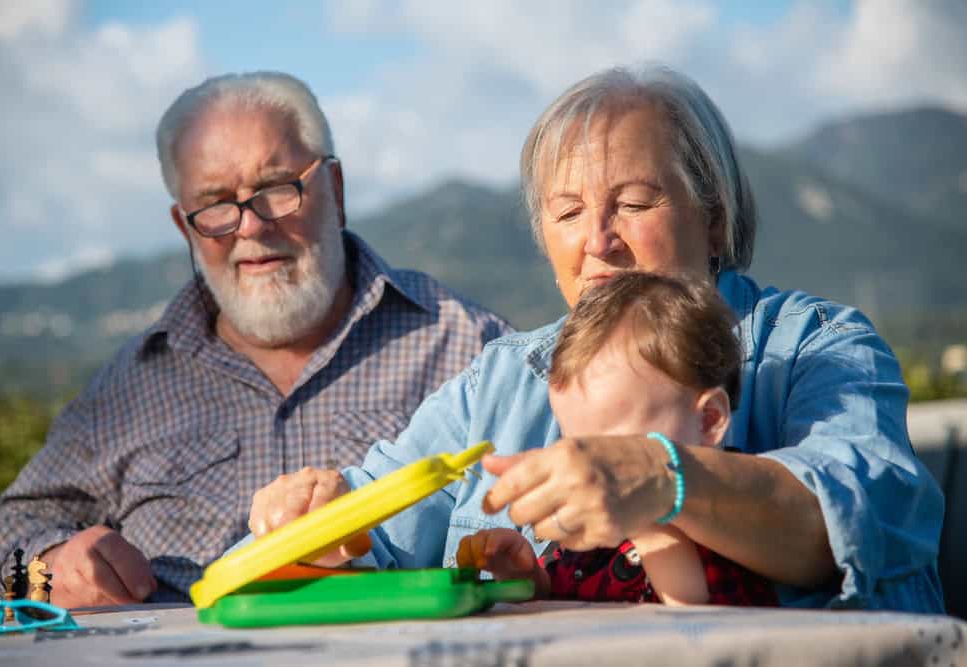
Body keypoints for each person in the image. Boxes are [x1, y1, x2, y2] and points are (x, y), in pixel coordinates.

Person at [246, 65, 944, 612]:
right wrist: (316, 524)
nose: (597, 242)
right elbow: (375, 526)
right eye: (569, 212)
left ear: (714, 217)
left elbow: (853, 522)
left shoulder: (816, 348)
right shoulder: (503, 379)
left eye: (635, 203)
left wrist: (662, 475)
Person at [0, 72, 512, 607]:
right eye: (214, 203)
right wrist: (53, 561)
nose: (250, 227)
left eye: (277, 188)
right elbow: (10, 530)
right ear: (184, 227)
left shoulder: (473, 350)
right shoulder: (129, 388)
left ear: (336, 189)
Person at [457, 271, 777, 606]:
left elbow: (689, 611)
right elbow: (575, 600)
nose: (588, 465)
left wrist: (647, 521)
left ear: (709, 420)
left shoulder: (724, 517)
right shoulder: (596, 530)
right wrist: (529, 579)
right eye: (573, 443)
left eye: (612, 448)